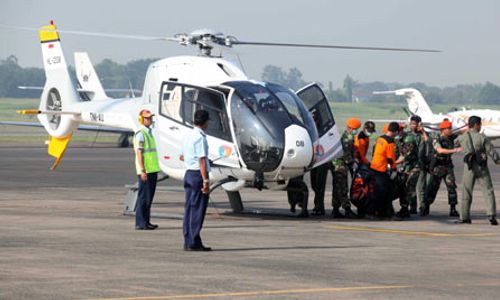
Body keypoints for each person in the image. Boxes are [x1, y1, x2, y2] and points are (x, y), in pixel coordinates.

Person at [455, 116, 500, 225]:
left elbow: (455, 142)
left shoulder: (462, 137)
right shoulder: (482, 137)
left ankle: (464, 217)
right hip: (481, 166)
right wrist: (498, 161)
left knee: (466, 191)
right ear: (476, 125)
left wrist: (464, 133)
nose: (480, 127)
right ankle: (491, 214)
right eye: (480, 124)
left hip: (469, 167)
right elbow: (492, 152)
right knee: (488, 190)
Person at [181, 110, 212, 250]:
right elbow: (201, 160)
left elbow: (182, 156)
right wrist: (205, 181)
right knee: (198, 209)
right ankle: (194, 241)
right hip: (197, 175)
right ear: (205, 122)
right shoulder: (200, 137)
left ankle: (188, 239)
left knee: (189, 208)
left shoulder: (188, 135)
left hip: (188, 173)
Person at [424, 119, 461, 216]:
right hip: (438, 166)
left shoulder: (452, 137)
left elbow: (463, 131)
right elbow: (440, 150)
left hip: (448, 166)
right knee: (432, 187)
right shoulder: (437, 139)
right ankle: (426, 207)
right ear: (443, 129)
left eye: (450, 128)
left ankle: (453, 209)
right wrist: (455, 150)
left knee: (451, 187)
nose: (450, 130)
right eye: (448, 128)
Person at [133, 108, 161, 230]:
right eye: (147, 118)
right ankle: (140, 222)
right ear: (141, 119)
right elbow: (139, 153)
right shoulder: (141, 134)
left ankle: (146, 221)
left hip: (152, 170)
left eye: (150, 118)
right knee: (143, 197)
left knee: (149, 197)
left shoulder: (149, 133)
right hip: (146, 171)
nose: (150, 120)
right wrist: (142, 170)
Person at [330, 118, 361, 218]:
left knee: (337, 188)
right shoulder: (347, 139)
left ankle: (335, 209)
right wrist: (354, 163)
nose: (356, 131)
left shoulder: (346, 137)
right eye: (355, 129)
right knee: (343, 188)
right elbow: (347, 157)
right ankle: (347, 209)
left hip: (338, 165)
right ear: (350, 128)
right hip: (340, 166)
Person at [369, 122, 400, 218]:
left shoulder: (380, 138)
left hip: (374, 167)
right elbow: (390, 158)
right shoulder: (390, 141)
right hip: (381, 170)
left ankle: (376, 212)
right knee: (387, 192)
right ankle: (387, 213)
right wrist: (394, 169)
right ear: (395, 132)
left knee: (377, 192)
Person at [395, 118, 423, 218]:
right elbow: (396, 152)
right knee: (406, 187)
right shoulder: (399, 139)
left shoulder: (409, 138)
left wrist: (394, 162)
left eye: (398, 132)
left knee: (409, 187)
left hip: (414, 166)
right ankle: (410, 208)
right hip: (405, 167)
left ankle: (408, 208)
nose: (397, 134)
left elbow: (405, 155)